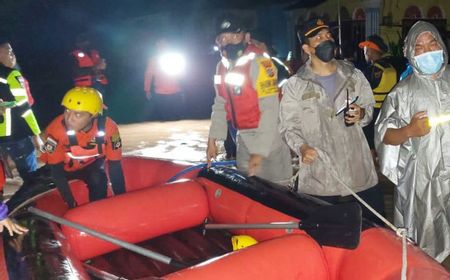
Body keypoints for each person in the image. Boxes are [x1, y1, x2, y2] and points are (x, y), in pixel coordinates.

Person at [279, 18, 384, 222]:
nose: (326, 40)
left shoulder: (354, 75)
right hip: (320, 175)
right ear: (307, 48)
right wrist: (302, 148)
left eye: (328, 35)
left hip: (358, 171)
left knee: (376, 230)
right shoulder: (296, 85)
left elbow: (369, 108)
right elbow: (287, 127)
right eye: (318, 37)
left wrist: (362, 114)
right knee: (323, 237)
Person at [375, 21, 450, 263]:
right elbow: (384, 134)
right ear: (410, 53)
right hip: (424, 179)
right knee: (428, 239)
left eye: (433, 43)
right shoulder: (403, 92)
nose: (428, 51)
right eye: (420, 47)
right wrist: (408, 130)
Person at [206, 16, 292, 182]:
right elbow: (220, 103)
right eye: (223, 38)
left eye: (234, 36)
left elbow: (270, 108)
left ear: (246, 37)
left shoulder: (261, 64)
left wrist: (259, 152)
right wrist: (212, 139)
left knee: (280, 192)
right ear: (217, 42)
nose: (229, 41)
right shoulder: (221, 67)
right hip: (243, 138)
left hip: (270, 138)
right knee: (248, 190)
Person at [41, 87, 125, 208]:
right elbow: (57, 172)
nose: (69, 119)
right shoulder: (56, 130)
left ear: (93, 115)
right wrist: (71, 203)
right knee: (27, 192)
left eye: (78, 114)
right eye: (67, 111)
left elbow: (115, 165)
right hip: (61, 169)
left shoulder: (109, 128)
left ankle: (98, 210)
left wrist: (121, 199)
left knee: (99, 178)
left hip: (89, 167)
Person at [0, 38, 42, 183]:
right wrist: (36, 134)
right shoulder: (12, 75)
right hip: (17, 135)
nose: (13, 55)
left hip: (3, 138)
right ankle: (30, 203)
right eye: (9, 52)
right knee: (32, 179)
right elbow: (25, 108)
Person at [358, 35, 397, 153]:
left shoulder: (373, 70)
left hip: (373, 113)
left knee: (370, 147)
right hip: (389, 111)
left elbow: (360, 91)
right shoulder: (392, 65)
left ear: (369, 51)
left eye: (365, 50)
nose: (364, 53)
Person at [144, 38, 185, 121]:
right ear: (157, 47)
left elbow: (183, 74)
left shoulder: (175, 57)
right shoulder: (153, 60)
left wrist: (183, 88)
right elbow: (148, 75)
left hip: (175, 92)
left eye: (164, 45)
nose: (162, 47)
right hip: (160, 93)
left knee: (177, 118)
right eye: (160, 45)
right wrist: (147, 90)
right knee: (164, 118)